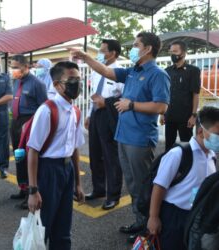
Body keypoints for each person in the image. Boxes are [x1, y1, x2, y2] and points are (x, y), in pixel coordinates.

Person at [71, 32, 170, 242]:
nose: (133, 48)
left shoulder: (157, 74)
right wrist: (85, 57)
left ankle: (149, 228)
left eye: (136, 45)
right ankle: (139, 222)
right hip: (124, 135)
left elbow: (161, 106)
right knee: (133, 183)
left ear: (148, 49)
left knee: (143, 183)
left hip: (140, 138)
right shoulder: (133, 71)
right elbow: (105, 70)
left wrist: (131, 105)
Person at [27, 61, 85, 250]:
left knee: (63, 224)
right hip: (48, 171)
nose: (76, 83)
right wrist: (33, 191)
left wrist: (77, 182)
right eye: (71, 80)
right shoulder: (47, 110)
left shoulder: (76, 111)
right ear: (57, 84)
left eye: (78, 79)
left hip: (66, 170)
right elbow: (33, 151)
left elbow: (74, 148)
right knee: (43, 224)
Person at [147, 106, 218, 250]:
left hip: (196, 215)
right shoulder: (178, 154)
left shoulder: (212, 157)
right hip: (174, 216)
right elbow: (159, 186)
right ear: (200, 132)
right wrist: (153, 217)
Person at [83, 39, 124, 210]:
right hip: (95, 114)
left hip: (110, 115)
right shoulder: (96, 70)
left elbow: (124, 97)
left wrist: (105, 103)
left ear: (113, 53)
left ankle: (113, 195)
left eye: (102, 50)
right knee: (95, 154)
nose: (99, 54)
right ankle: (98, 189)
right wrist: (88, 114)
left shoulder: (120, 71)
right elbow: (93, 94)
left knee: (111, 156)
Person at [9, 54, 47, 209]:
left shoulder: (37, 84)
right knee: (18, 157)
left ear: (26, 66)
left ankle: (31, 192)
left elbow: (44, 109)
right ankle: (22, 188)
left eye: (16, 67)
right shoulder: (16, 81)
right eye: (12, 67)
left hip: (29, 123)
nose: (14, 70)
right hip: (16, 121)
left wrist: (32, 125)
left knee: (28, 158)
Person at [161, 41, 201, 152]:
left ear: (183, 53)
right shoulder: (167, 71)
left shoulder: (193, 71)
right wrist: (162, 113)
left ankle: (186, 168)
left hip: (186, 117)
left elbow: (195, 94)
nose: (173, 54)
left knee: (186, 147)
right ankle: (169, 168)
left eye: (175, 51)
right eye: (171, 52)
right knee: (168, 147)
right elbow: (165, 94)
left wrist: (193, 115)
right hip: (170, 116)